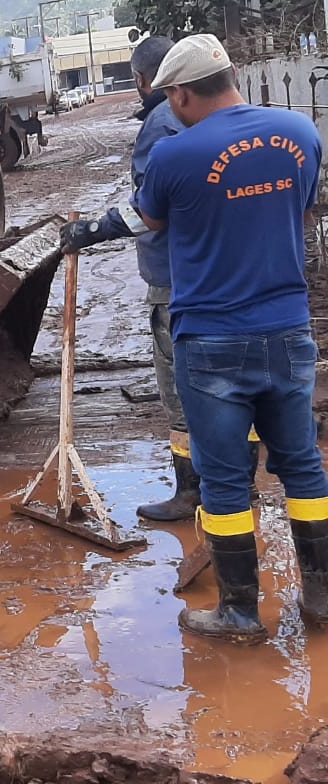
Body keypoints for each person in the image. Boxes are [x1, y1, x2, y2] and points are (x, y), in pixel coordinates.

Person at [138, 33, 328, 645]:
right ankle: (322, 599)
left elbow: (154, 222)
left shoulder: (173, 154)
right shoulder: (301, 134)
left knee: (222, 481)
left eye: (172, 97)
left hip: (213, 337)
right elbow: (302, 208)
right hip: (289, 328)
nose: (171, 107)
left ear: (186, 92)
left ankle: (241, 613)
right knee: (302, 466)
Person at [61, 38, 263, 520]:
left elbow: (151, 208)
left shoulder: (162, 123)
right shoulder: (243, 122)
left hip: (178, 280)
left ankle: (190, 491)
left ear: (145, 81)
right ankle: (244, 481)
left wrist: (90, 231)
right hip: (235, 277)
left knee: (182, 390)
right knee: (240, 386)